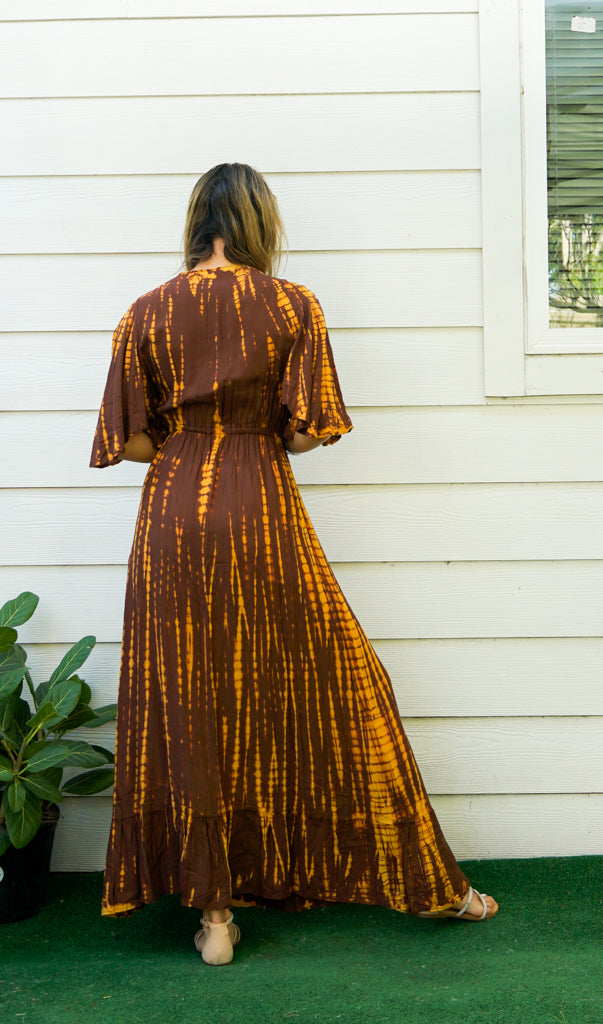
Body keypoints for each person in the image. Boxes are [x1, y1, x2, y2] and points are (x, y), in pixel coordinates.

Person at [89, 162, 498, 966]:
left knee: (188, 695)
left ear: (195, 221)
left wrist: (189, 442)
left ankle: (213, 917)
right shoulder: (291, 306)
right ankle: (432, 883)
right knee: (337, 678)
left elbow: (129, 439)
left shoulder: (144, 312)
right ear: (256, 224)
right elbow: (311, 430)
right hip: (258, 504)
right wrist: (250, 435)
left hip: (172, 514)